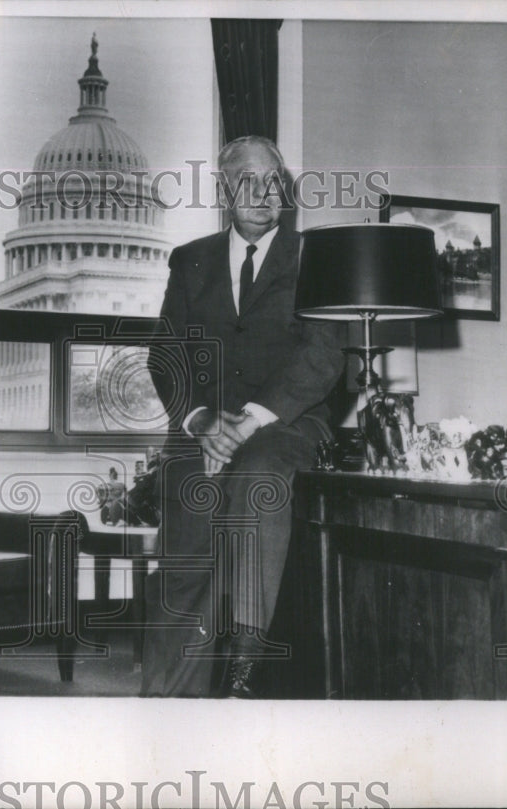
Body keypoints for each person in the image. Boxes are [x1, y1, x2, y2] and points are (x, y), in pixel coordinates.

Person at [141, 135, 345, 698]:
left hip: (287, 425)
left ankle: (245, 664)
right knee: (187, 519)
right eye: (246, 181)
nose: (262, 193)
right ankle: (165, 702)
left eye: (272, 180)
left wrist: (249, 421)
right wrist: (202, 421)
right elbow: (166, 353)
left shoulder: (314, 257)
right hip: (203, 431)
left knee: (257, 477)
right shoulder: (190, 260)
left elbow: (323, 355)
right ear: (224, 190)